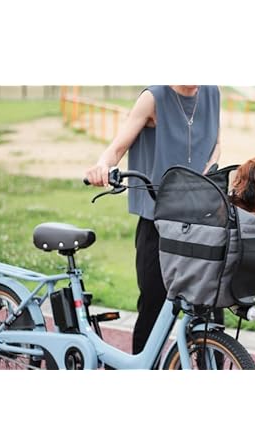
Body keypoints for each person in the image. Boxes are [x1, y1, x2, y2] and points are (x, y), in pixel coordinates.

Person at [85, 85, 221, 354]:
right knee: (154, 307)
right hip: (158, 223)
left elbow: (216, 144)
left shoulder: (211, 92)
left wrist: (208, 172)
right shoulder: (152, 98)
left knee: (211, 308)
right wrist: (103, 166)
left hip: (199, 221)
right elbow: (117, 148)